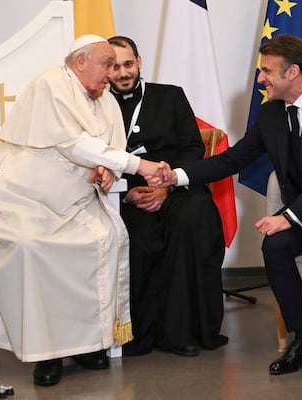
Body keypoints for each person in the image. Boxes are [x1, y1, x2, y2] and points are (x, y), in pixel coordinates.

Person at [153, 34, 302, 385]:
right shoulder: (270, 114)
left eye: (266, 71)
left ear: (292, 71)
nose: (260, 79)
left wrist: (288, 217)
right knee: (274, 247)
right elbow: (233, 159)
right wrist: (176, 175)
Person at [0, 34, 165, 387]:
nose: (110, 74)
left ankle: (88, 344)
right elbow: (74, 144)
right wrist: (139, 166)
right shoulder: (52, 84)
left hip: (74, 200)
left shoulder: (103, 98)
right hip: (24, 200)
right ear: (80, 62)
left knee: (104, 239)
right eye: (106, 65)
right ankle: (47, 354)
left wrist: (111, 168)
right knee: (34, 249)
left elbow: (108, 147)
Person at [107, 35, 228, 357]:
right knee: (138, 233)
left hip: (176, 186)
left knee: (193, 219)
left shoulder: (171, 96)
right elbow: (98, 159)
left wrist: (168, 185)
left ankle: (183, 332)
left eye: (128, 64)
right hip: (127, 194)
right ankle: (139, 334)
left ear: (139, 62)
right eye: (115, 66)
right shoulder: (96, 105)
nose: (123, 73)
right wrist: (128, 194)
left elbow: (192, 147)